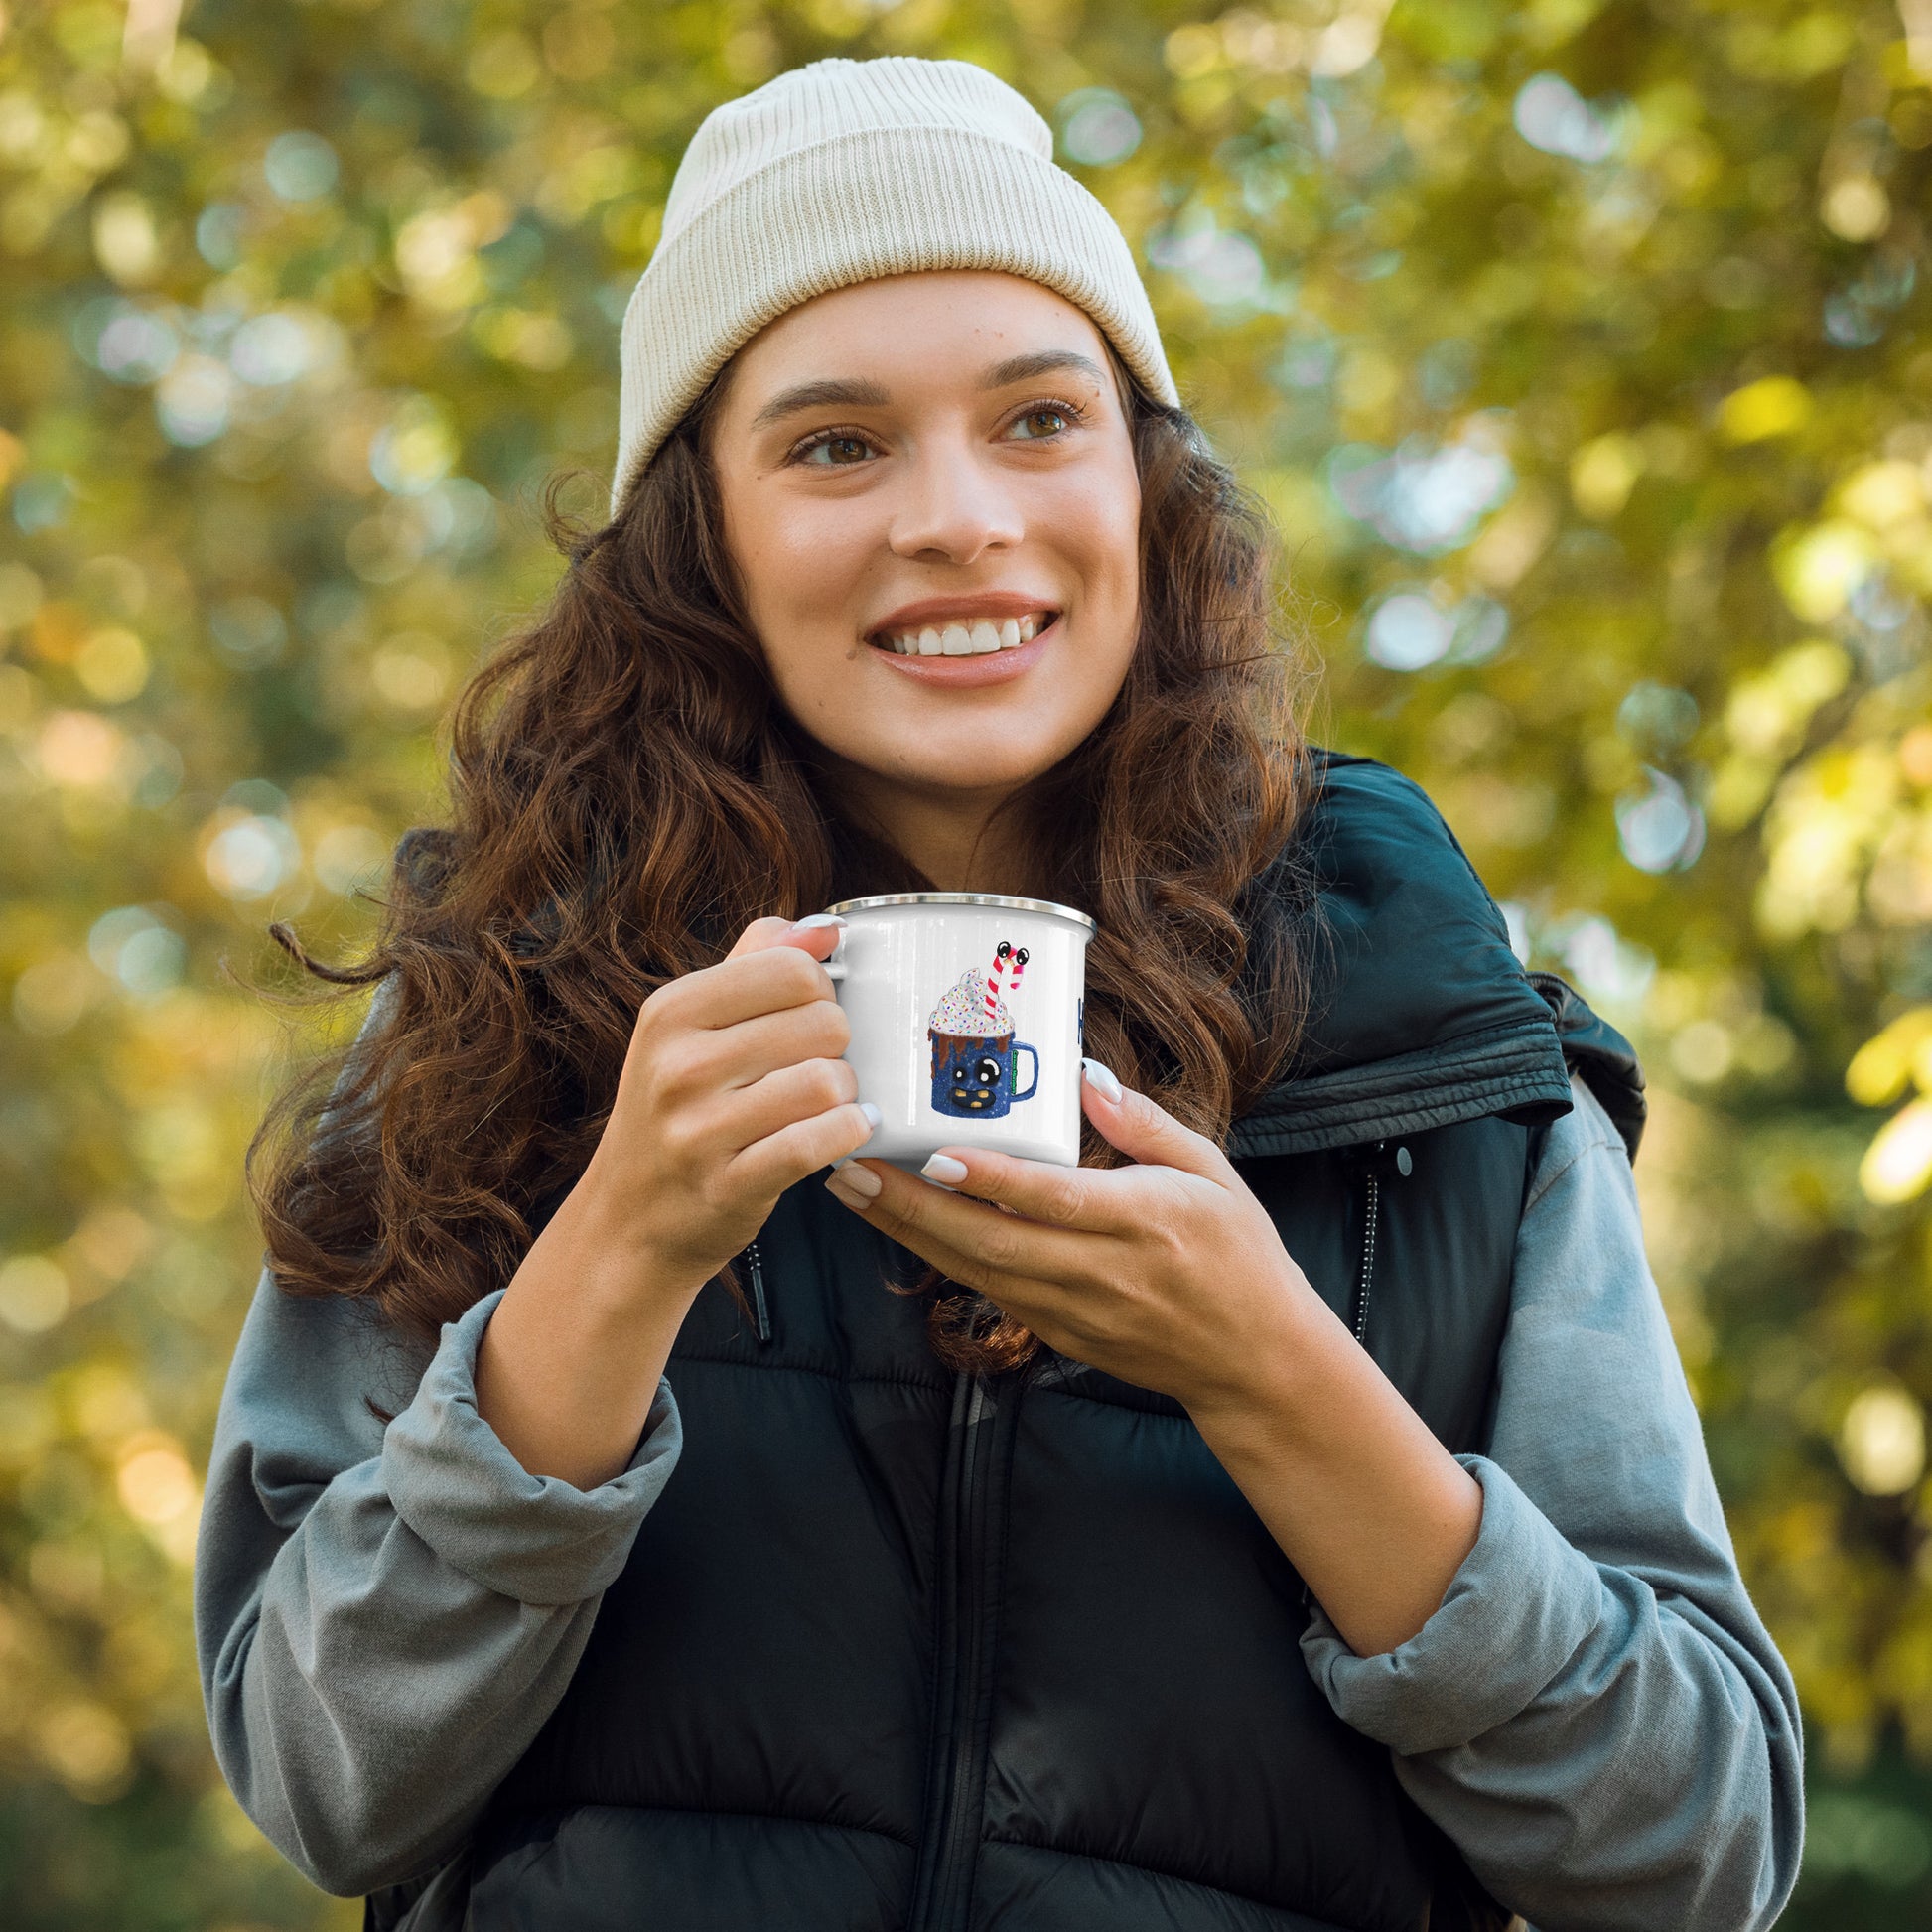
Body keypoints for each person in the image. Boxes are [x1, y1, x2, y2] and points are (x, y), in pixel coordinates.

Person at [195, 55, 1803, 1932]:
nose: (957, 517)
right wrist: (615, 1252)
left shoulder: (1433, 1059)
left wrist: (1270, 1370)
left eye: (1039, 418)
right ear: (699, 536)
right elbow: (320, 1783)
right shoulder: (499, 1023)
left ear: (1145, 483)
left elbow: (1698, 1853)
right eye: (835, 443)